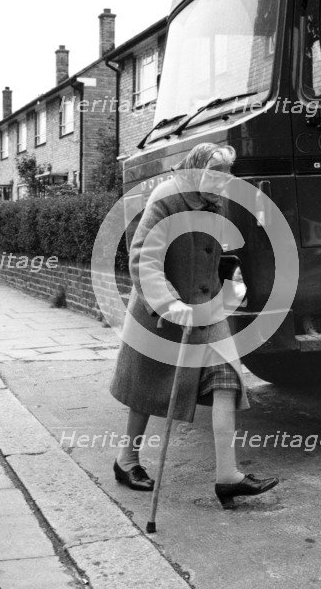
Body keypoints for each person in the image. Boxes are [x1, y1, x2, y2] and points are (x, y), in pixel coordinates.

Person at [110, 142, 279, 510]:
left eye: (227, 176)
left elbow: (217, 252)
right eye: (216, 175)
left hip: (208, 308)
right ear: (196, 170)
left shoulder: (213, 200)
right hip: (162, 312)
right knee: (147, 389)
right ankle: (126, 461)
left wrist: (233, 278)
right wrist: (169, 304)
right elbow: (143, 258)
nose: (223, 183)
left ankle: (228, 477)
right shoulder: (166, 198)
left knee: (227, 382)